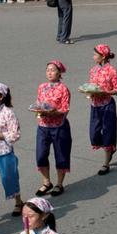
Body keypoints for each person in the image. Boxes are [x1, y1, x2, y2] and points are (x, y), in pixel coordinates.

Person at [34, 60, 71, 197]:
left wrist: (52, 113)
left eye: (53, 70)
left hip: (59, 127)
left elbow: (65, 109)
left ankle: (59, 184)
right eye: (47, 69)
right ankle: (46, 182)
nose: (49, 72)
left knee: (61, 155)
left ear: (59, 73)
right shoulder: (42, 86)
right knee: (41, 155)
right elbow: (38, 104)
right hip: (43, 127)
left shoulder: (63, 88)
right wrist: (39, 113)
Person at [87, 44, 117, 176]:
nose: (93, 57)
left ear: (103, 57)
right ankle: (110, 147)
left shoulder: (112, 70)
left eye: (95, 55)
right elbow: (91, 86)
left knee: (108, 132)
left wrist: (104, 92)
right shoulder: (93, 70)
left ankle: (106, 162)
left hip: (107, 105)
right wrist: (89, 92)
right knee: (94, 134)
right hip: (95, 106)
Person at [0, 83, 24, 216]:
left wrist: (0, 135)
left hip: (4, 152)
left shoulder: (8, 113)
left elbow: (15, 134)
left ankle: (18, 202)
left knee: (9, 178)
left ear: (2, 97)